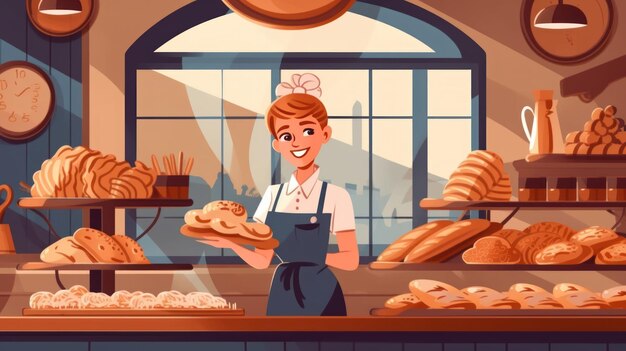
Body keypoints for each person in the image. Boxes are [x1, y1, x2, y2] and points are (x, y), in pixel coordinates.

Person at [198, 74, 359, 316]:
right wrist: (230, 243)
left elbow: (351, 260)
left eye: (307, 130)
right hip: (283, 290)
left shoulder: (336, 196)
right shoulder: (273, 195)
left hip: (323, 292)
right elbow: (263, 260)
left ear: (325, 134)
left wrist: (313, 256)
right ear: (277, 145)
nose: (297, 142)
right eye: (286, 136)